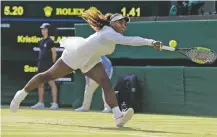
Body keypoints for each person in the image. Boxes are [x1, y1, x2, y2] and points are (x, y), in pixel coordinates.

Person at [10, 8, 163, 127]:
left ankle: (118, 116)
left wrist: (151, 42)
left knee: (105, 82)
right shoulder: (108, 33)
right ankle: (21, 94)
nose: (124, 25)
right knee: (47, 76)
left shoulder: (111, 34)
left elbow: (128, 40)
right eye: (121, 22)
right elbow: (132, 41)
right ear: (112, 23)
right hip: (76, 55)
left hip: (92, 60)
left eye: (125, 23)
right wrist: (151, 42)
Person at [31, 23, 59, 110]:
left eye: (45, 29)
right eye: (42, 29)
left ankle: (55, 104)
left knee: (52, 84)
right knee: (40, 84)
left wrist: (52, 64)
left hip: (48, 66)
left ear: (48, 30)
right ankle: (41, 103)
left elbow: (54, 53)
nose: (43, 31)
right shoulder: (40, 41)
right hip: (41, 65)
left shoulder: (50, 41)